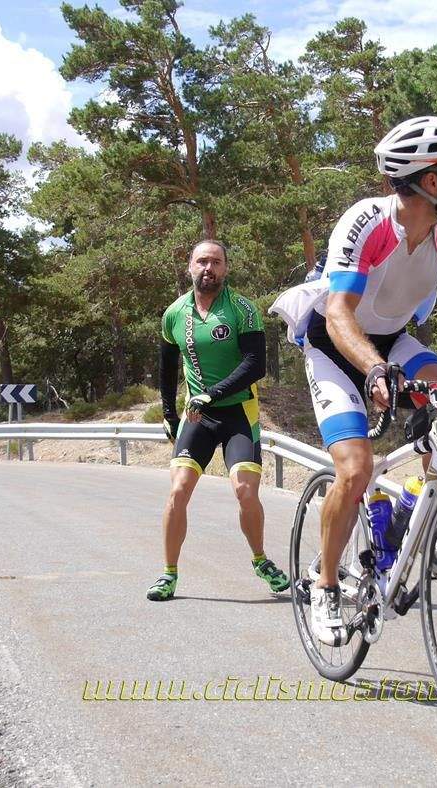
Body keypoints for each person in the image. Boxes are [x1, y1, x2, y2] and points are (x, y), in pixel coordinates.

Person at [270, 116, 437, 646]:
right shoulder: (367, 223)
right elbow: (339, 313)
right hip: (336, 343)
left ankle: (417, 502)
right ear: (432, 181)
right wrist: (374, 369)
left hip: (393, 339)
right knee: (355, 470)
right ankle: (326, 583)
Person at [149, 239, 290, 601]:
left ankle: (260, 559)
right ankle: (168, 574)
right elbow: (166, 367)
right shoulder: (174, 314)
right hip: (198, 416)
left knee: (245, 491)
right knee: (178, 490)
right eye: (201, 261)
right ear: (189, 267)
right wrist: (167, 411)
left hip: (238, 411)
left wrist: (213, 392)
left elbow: (254, 365)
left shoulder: (242, 310)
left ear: (226, 268)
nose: (208, 268)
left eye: (215, 262)